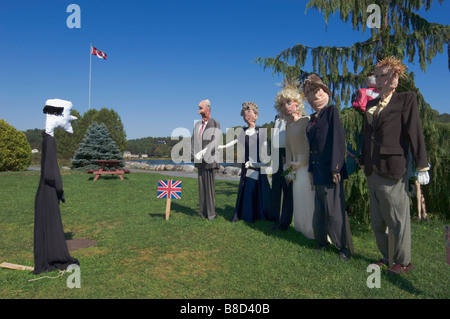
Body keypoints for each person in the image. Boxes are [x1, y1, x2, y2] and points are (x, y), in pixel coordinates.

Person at [360, 57, 430, 274]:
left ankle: (404, 261)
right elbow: (367, 136)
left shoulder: (406, 100)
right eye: (377, 76)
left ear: (396, 78)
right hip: (372, 168)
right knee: (378, 220)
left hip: (392, 167)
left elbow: (414, 131)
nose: (379, 80)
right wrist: (363, 161)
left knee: (397, 219)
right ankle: (387, 256)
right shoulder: (371, 104)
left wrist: (421, 165)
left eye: (384, 75)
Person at [303, 74, 350, 261]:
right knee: (320, 211)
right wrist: (311, 172)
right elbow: (312, 148)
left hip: (331, 171)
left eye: (318, 91)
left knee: (335, 212)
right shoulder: (312, 119)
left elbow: (339, 140)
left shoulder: (331, 111)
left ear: (326, 93)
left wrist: (336, 167)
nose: (315, 96)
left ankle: (342, 247)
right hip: (318, 171)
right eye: (309, 93)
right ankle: (322, 242)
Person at [33, 99, 79, 274]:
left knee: (46, 224)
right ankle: (53, 256)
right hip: (49, 191)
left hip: (44, 190)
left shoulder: (47, 139)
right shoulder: (50, 142)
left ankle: (46, 255)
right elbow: (51, 173)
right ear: (60, 115)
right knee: (51, 224)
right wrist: (60, 190)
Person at [273, 78, 315, 238]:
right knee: (298, 199)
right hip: (294, 165)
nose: (287, 107)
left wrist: (302, 162)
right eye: (284, 104)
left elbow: (309, 146)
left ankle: (313, 230)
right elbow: (289, 148)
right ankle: (301, 228)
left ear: (297, 102)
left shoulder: (307, 121)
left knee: (308, 198)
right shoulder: (288, 125)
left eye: (289, 102)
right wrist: (289, 167)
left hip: (305, 165)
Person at [220, 102, 273, 223]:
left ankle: (256, 214)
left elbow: (266, 148)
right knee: (248, 187)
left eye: (249, 112)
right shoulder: (243, 131)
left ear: (256, 115)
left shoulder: (261, 131)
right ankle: (248, 214)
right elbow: (234, 142)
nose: (246, 116)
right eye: (244, 114)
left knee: (255, 187)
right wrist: (222, 146)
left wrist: (266, 160)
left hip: (257, 165)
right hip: (246, 164)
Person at [191, 99, 221, 221]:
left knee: (209, 188)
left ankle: (211, 214)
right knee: (201, 187)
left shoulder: (215, 123)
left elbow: (216, 140)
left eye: (201, 108)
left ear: (207, 109)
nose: (198, 111)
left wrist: (204, 153)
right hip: (199, 162)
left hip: (210, 160)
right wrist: (194, 155)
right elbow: (193, 141)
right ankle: (202, 213)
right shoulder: (197, 125)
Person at [270, 114, 294, 231]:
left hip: (286, 153)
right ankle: (275, 219)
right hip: (276, 154)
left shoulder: (291, 117)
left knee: (287, 188)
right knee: (276, 188)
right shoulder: (276, 118)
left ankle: (284, 222)